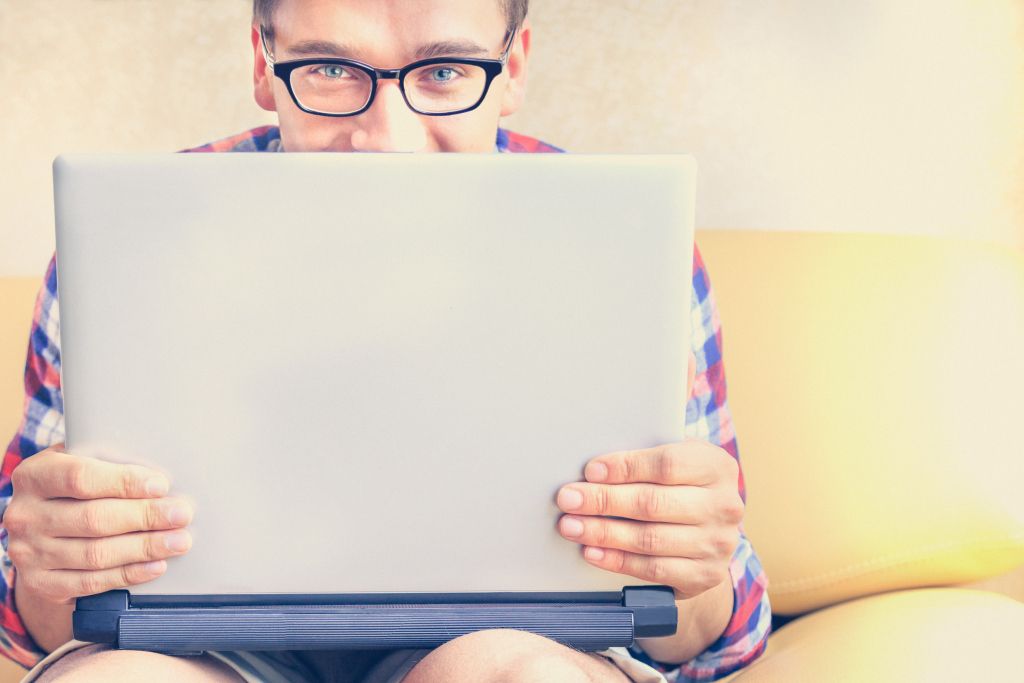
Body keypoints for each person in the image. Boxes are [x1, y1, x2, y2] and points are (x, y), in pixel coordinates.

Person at [0, 1, 771, 681]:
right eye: (332, 69)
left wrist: (693, 573)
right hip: (197, 649)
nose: (387, 140)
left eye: (443, 72)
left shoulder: (626, 246)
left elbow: (725, 637)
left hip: (507, 643)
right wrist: (50, 569)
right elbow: (29, 615)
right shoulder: (128, 243)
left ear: (514, 69)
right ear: (264, 67)